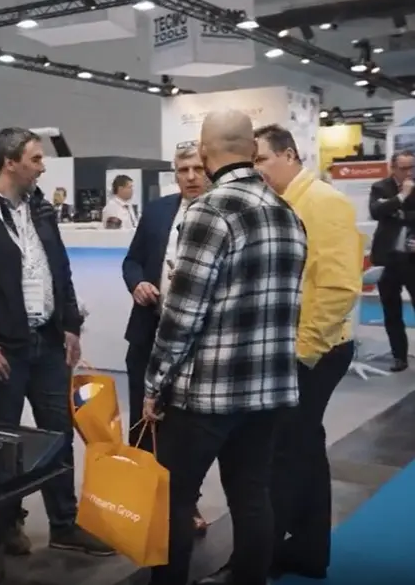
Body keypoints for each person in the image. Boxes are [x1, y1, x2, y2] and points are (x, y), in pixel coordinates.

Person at [143, 110, 307, 585]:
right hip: (271, 388)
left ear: (207, 151)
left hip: (207, 395)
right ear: (252, 153)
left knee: (174, 498)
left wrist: (154, 382)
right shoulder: (288, 214)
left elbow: (182, 315)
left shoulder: (208, 211)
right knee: (252, 495)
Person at [195, 124, 359, 583]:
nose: (255, 168)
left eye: (262, 159)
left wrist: (301, 352)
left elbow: (339, 287)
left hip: (315, 349)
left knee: (281, 454)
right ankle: (308, 550)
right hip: (298, 347)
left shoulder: (323, 203)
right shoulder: (282, 204)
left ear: (289, 155)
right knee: (304, 448)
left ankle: (257, 562)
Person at [0, 127, 113, 557]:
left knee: (58, 435)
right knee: (6, 441)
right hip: (3, 350)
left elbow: (62, 273)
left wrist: (70, 325)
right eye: (35, 159)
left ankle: (64, 523)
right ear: (9, 162)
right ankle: (6, 523)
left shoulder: (40, 209)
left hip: (49, 343)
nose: (43, 166)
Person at [121, 141, 209, 534]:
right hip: (147, 331)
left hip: (197, 344)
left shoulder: (222, 212)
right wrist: (137, 282)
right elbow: (132, 259)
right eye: (182, 170)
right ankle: (139, 503)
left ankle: (184, 505)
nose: (190, 177)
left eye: (196, 169)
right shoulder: (158, 211)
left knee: (188, 431)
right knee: (142, 422)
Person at [368, 149, 415, 372]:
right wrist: (401, 197)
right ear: (393, 167)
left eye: (412, 167)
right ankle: (399, 357)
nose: (409, 172)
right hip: (387, 259)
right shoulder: (380, 187)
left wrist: (397, 212)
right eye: (404, 168)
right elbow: (377, 211)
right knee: (391, 310)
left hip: (412, 259)